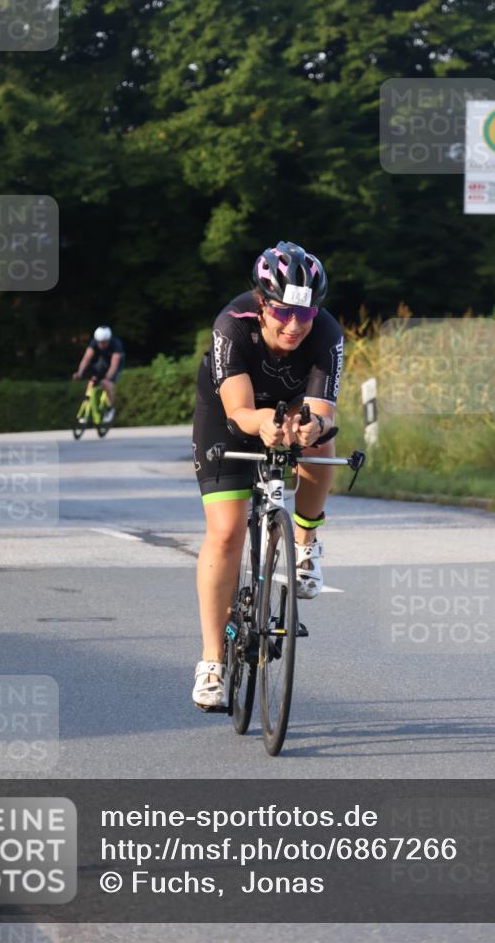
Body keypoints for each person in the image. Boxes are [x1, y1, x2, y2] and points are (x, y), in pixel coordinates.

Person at [191, 241, 345, 708]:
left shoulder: (327, 333)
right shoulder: (231, 327)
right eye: (282, 313)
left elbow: (321, 409)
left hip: (290, 413)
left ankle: (305, 540)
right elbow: (238, 409)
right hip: (230, 419)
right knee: (226, 532)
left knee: (320, 440)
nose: (295, 325)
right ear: (261, 304)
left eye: (306, 315)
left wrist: (309, 426)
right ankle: (213, 662)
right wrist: (264, 425)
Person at [72, 326, 125, 423]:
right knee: (92, 378)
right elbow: (86, 359)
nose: (101, 344)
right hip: (104, 362)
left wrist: (107, 378)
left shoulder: (116, 344)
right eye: (99, 342)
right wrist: (80, 372)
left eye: (104, 342)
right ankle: (87, 401)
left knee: (106, 383)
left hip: (116, 365)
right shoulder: (94, 342)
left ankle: (111, 408)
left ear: (108, 340)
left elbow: (114, 365)